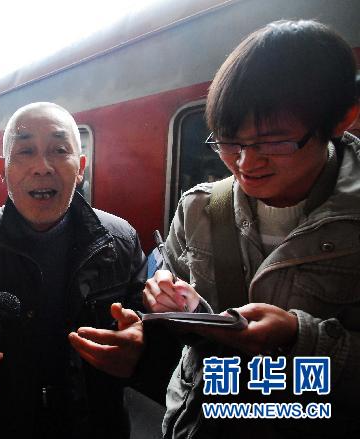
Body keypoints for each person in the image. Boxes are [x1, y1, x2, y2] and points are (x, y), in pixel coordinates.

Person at [143, 20, 360, 438]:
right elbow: (167, 279)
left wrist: (301, 339)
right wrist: (161, 294)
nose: (246, 164)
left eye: (275, 143)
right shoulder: (200, 208)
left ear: (341, 120)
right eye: (229, 142)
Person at [0, 102, 148, 439]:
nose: (43, 167)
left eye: (59, 149)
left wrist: (142, 350)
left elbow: (146, 342)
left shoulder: (121, 240)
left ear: (81, 166)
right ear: (2, 168)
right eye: (25, 151)